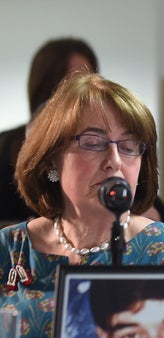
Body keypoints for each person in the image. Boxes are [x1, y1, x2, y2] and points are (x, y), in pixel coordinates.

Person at [0, 71, 164, 338]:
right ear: (52, 157)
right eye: (92, 142)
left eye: (129, 147)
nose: (114, 162)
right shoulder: (9, 251)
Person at [0, 37, 99, 227]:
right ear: (44, 85)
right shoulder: (5, 146)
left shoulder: (105, 146)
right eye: (69, 82)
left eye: (88, 81)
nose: (80, 92)